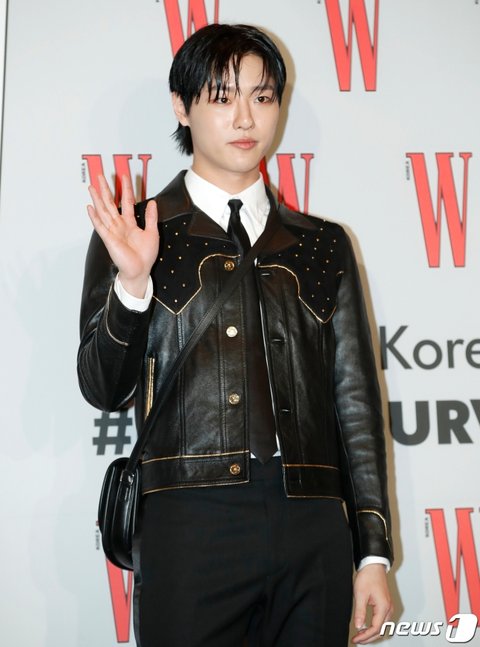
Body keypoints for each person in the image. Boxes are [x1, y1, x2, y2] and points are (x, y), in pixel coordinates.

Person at [78, 23, 393, 646]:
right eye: (223, 97)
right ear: (182, 106)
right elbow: (103, 389)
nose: (245, 117)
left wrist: (373, 552)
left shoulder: (322, 244)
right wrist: (133, 284)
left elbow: (355, 401)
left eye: (263, 96)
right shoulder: (133, 230)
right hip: (189, 524)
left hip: (312, 526)